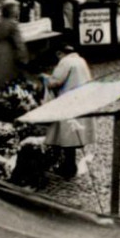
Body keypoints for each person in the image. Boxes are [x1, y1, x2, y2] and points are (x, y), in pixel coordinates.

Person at [45, 41, 92, 178]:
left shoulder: (66, 62)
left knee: (67, 136)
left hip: (68, 101)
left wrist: (46, 79)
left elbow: (56, 81)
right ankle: (69, 165)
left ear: (60, 53)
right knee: (72, 135)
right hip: (80, 100)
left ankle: (68, 167)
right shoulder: (80, 60)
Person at [0, 0, 28, 87]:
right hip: (8, 52)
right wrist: (23, 58)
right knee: (8, 76)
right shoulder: (13, 25)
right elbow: (19, 43)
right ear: (12, 13)